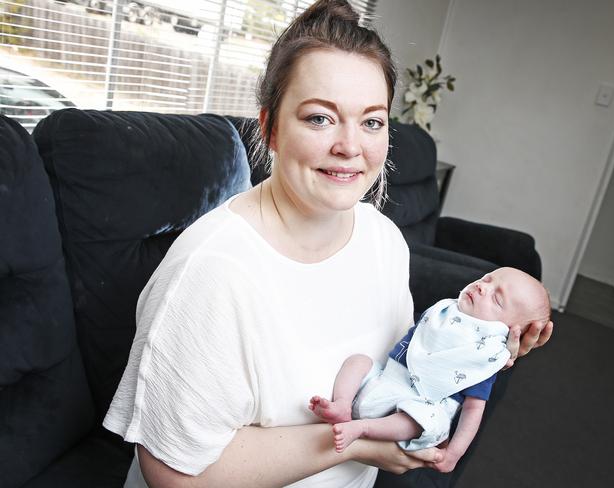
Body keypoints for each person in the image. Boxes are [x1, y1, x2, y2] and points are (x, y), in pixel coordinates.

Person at [102, 1, 553, 487]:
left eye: (372, 121)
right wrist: (359, 442)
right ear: (271, 128)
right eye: (320, 118)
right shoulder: (212, 272)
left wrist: (479, 345)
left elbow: (403, 371)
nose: (350, 146)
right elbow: (175, 476)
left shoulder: (382, 239)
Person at [309, 267, 551, 473]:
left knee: (420, 421)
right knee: (359, 361)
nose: (482, 287)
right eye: (487, 278)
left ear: (509, 331)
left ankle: (362, 427)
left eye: (497, 299)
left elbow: (474, 410)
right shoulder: (443, 313)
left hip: (419, 405)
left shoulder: (484, 357)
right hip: (385, 380)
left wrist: (453, 454)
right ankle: (342, 404)